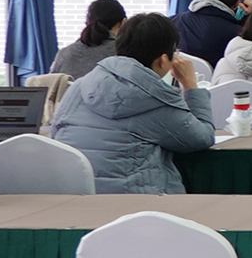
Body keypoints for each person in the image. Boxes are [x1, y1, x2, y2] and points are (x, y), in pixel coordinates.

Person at [50, 13, 215, 193]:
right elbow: (202, 138)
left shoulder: (79, 86)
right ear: (163, 60)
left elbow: (56, 133)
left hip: (74, 195)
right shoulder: (156, 99)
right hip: (135, 202)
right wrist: (190, 84)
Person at [175, 0, 252, 66]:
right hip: (217, 74)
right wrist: (251, 16)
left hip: (178, 73)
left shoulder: (175, 20)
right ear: (237, 3)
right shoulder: (235, 34)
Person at [51, 0, 126, 80]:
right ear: (123, 23)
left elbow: (51, 84)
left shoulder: (65, 54)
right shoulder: (123, 54)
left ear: (87, 23)